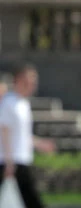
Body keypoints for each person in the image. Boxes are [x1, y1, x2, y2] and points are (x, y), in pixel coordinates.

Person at [0, 63, 56, 208]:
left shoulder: (23, 104)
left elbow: (23, 135)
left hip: (20, 160)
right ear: (18, 80)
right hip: (10, 161)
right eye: (28, 81)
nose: (32, 85)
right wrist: (9, 162)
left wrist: (40, 144)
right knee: (32, 200)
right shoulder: (9, 102)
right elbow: (4, 131)